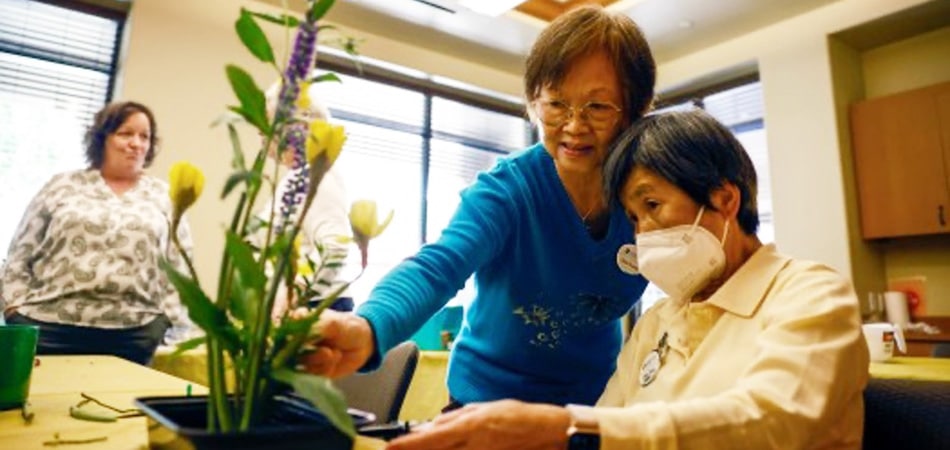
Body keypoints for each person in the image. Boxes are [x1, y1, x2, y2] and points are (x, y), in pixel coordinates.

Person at [382, 110, 870, 450]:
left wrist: (566, 429)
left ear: (724, 200)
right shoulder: (659, 320)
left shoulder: (810, 294)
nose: (644, 235)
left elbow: (774, 423)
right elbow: (612, 416)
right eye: (634, 219)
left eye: (652, 206)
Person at [303, 4, 653, 409]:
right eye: (556, 104)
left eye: (596, 107)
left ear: (633, 110)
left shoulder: (647, 195)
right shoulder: (508, 191)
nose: (574, 126)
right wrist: (367, 326)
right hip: (486, 402)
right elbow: (438, 265)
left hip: (591, 408)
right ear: (533, 102)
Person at [0, 101, 195, 365]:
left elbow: (180, 266)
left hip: (133, 334)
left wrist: (165, 323)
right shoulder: (62, 185)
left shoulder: (165, 196)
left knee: (118, 406)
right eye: (126, 133)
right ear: (102, 137)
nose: (136, 143)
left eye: (144, 136)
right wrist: (14, 310)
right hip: (48, 326)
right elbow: (19, 253)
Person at [255, 80, 352, 316]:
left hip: (312, 308)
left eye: (266, 125)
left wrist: (293, 293)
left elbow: (335, 247)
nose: (261, 135)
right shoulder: (293, 178)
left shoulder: (318, 174)